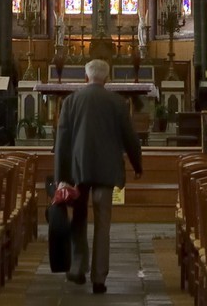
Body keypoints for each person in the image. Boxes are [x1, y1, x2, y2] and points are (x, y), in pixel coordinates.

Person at [53, 57, 143, 293]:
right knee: (103, 224)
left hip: (78, 171)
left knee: (79, 218)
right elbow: (130, 139)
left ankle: (78, 266)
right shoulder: (117, 102)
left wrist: (60, 177)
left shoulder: (71, 101)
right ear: (107, 78)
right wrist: (137, 165)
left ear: (86, 77)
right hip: (107, 170)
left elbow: (62, 142)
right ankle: (99, 278)